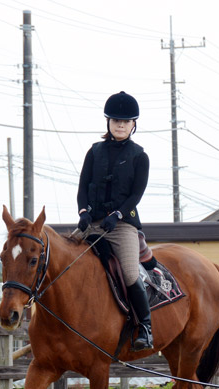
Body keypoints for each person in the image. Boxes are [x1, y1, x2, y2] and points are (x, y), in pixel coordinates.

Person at [76, 91, 153, 350]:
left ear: (134, 124)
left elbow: (136, 194)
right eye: (116, 120)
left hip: (123, 226)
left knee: (131, 273)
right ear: (108, 122)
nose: (120, 125)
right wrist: (83, 212)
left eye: (126, 121)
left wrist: (117, 215)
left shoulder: (140, 156)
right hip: (93, 222)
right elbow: (83, 186)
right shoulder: (94, 152)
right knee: (65, 261)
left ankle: (145, 326)